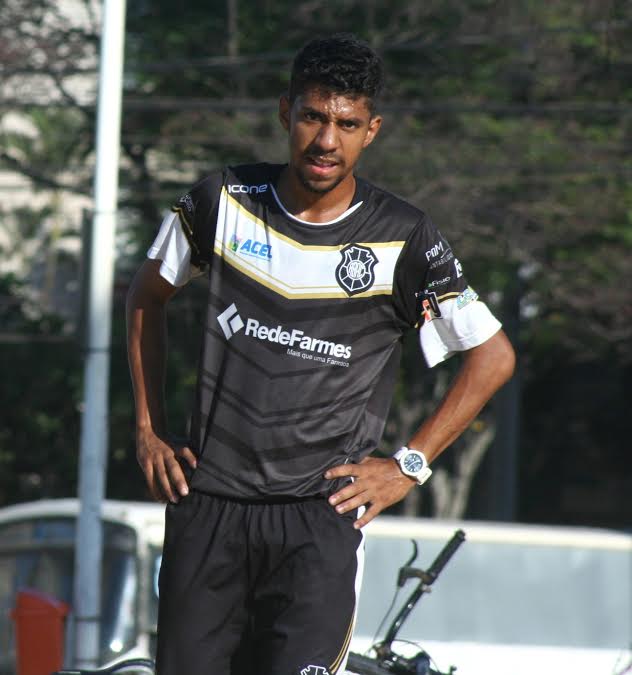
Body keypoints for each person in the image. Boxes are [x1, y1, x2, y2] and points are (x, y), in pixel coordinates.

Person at [126, 33, 515, 675]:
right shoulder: (219, 202)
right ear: (286, 113)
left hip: (318, 521)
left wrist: (409, 464)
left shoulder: (404, 238)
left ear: (372, 130)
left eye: (346, 123)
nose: (326, 140)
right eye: (313, 116)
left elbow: (493, 356)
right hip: (209, 507)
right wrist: (147, 430)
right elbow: (146, 296)